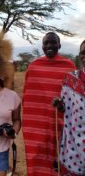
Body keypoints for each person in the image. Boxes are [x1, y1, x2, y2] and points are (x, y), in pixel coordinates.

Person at [22, 32, 76, 176]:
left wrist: (62, 106)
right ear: (42, 46)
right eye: (46, 43)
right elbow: (28, 99)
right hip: (38, 125)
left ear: (59, 45)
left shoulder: (69, 66)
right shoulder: (33, 67)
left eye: (53, 42)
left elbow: (74, 98)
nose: (49, 46)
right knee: (37, 159)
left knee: (58, 162)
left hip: (61, 124)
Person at [52, 40, 85, 176]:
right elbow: (66, 112)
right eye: (83, 53)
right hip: (74, 147)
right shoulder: (70, 79)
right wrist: (60, 106)